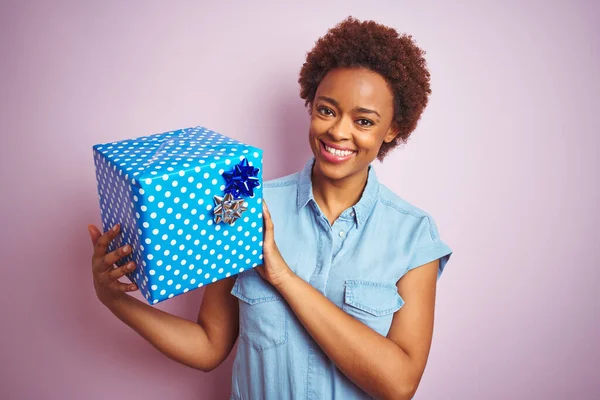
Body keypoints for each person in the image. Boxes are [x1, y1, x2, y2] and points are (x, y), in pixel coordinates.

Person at [88, 16, 453, 400]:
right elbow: (209, 345)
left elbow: (399, 384)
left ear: (393, 129)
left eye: (363, 120)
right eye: (327, 110)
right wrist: (112, 298)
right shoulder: (244, 205)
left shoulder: (414, 236)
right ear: (312, 106)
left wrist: (282, 277)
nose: (338, 131)